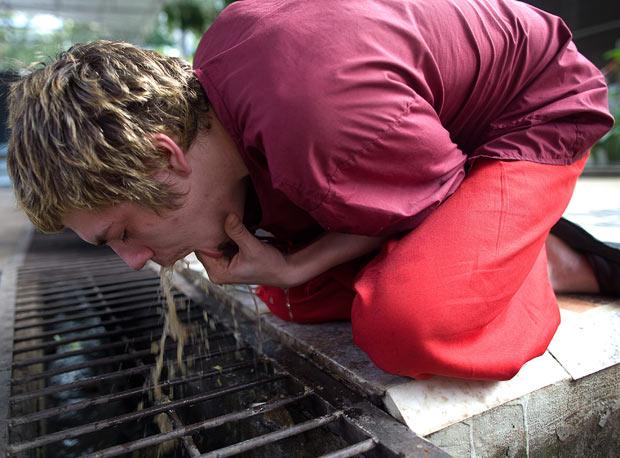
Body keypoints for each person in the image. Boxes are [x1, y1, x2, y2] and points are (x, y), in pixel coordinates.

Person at [7, 0, 617, 381]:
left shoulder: (317, 124)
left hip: (528, 115)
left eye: (122, 233)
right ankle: (476, 247)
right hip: (404, 139)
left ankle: (539, 256)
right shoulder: (222, 94)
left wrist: (305, 262)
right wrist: (290, 272)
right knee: (278, 294)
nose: (134, 260)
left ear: (166, 157)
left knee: (408, 324)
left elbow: (440, 186)